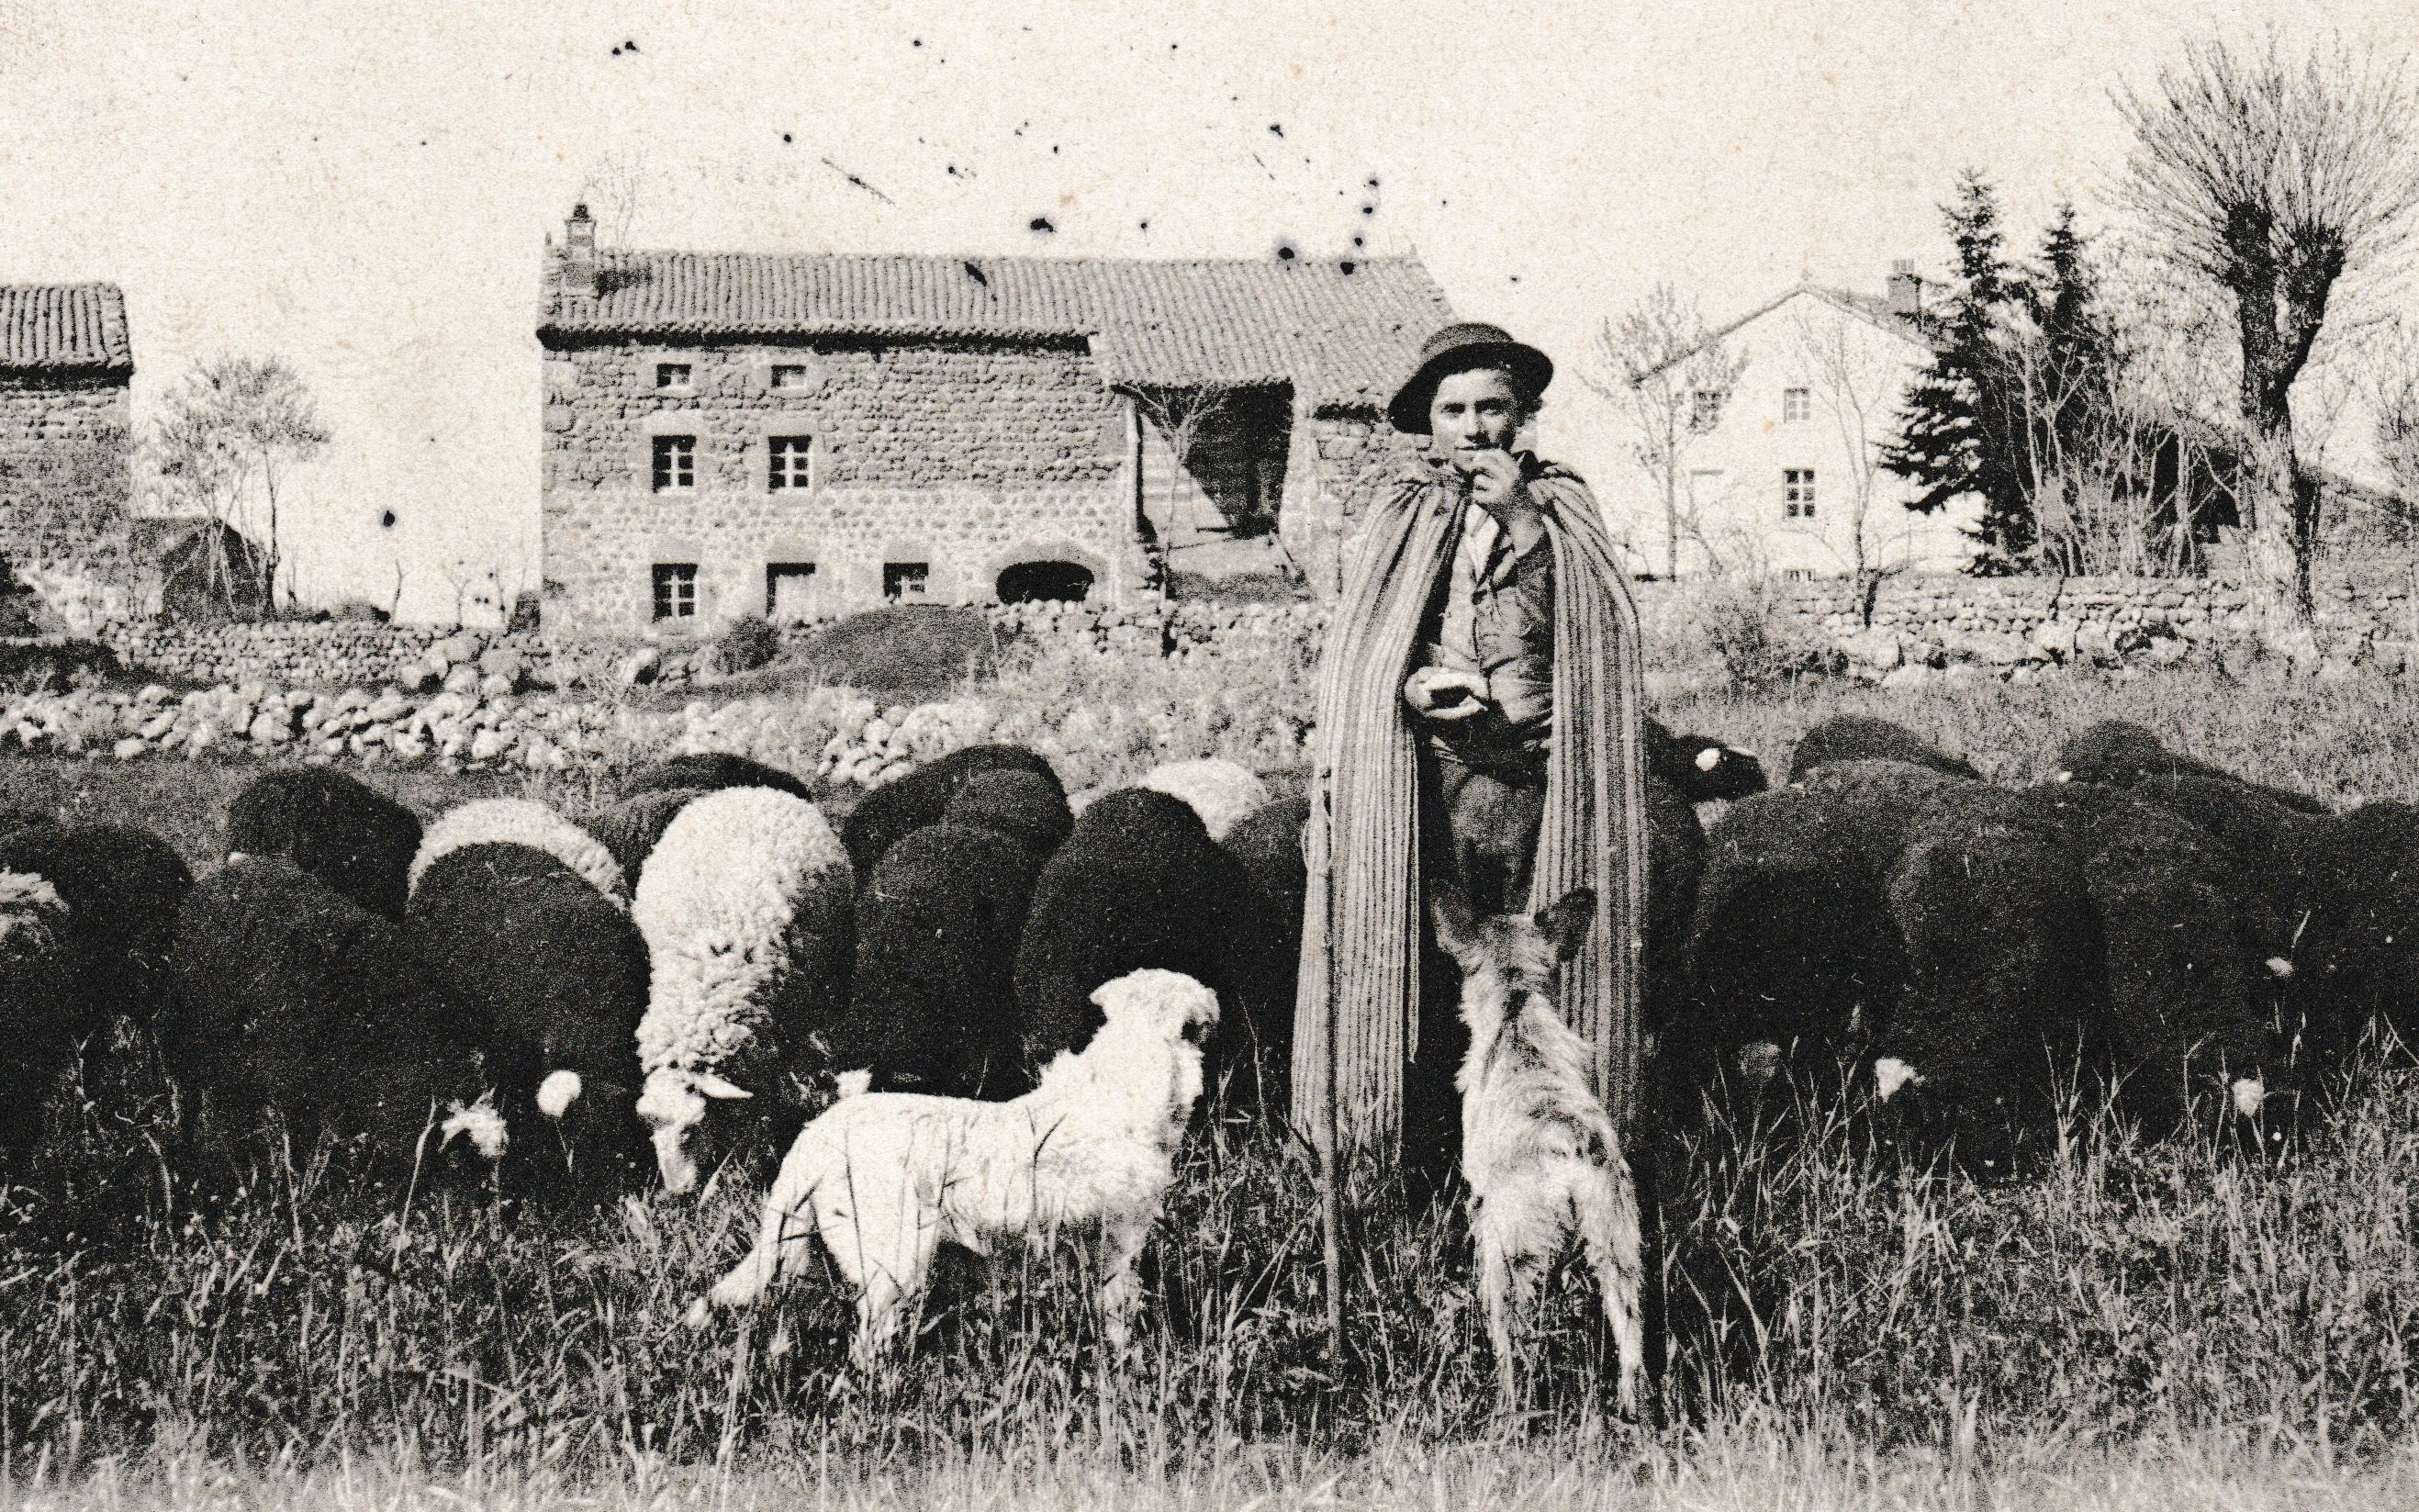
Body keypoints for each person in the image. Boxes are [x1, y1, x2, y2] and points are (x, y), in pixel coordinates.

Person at [1291, 321, 1652, 1183]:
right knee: (1424, 972)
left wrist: (1522, 523)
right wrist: (1411, 688)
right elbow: (1369, 649)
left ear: (1520, 416)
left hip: (1542, 792)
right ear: (1428, 421)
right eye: (1453, 409)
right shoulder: (1401, 516)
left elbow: (1600, 628)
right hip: (1431, 790)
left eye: (1492, 406)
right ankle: (1408, 1161)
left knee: (1536, 983)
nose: (1473, 426)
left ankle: (1547, 1166)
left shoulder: (1562, 505)